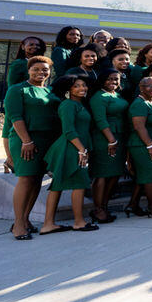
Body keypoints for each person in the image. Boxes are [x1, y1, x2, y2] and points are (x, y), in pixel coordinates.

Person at [4, 55, 58, 239]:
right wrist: (26, 141)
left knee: (36, 181)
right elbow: (15, 117)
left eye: (45, 69)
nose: (40, 72)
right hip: (25, 140)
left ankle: (26, 219)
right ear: (28, 70)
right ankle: (18, 224)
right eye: (36, 69)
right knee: (26, 179)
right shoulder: (17, 89)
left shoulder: (50, 91)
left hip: (46, 141)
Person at [41, 75, 99, 233]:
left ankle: (49, 224)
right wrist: (81, 149)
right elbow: (68, 130)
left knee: (59, 185)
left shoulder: (79, 104)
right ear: (68, 90)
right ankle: (78, 222)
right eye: (77, 86)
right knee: (77, 183)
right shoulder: (68, 105)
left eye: (84, 85)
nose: (82, 88)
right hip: (71, 148)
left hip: (76, 148)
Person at [88, 69, 128, 223]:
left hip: (119, 136)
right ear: (103, 80)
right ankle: (98, 209)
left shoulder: (117, 95)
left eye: (116, 79)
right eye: (110, 79)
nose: (113, 82)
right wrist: (111, 139)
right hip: (105, 138)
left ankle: (104, 206)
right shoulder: (99, 96)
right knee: (102, 174)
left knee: (115, 172)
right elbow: (100, 120)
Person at [127, 77, 152, 218]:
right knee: (151, 174)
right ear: (141, 88)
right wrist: (150, 145)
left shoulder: (151, 102)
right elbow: (139, 127)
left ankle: (133, 205)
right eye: (150, 86)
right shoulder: (139, 104)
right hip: (142, 144)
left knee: (144, 175)